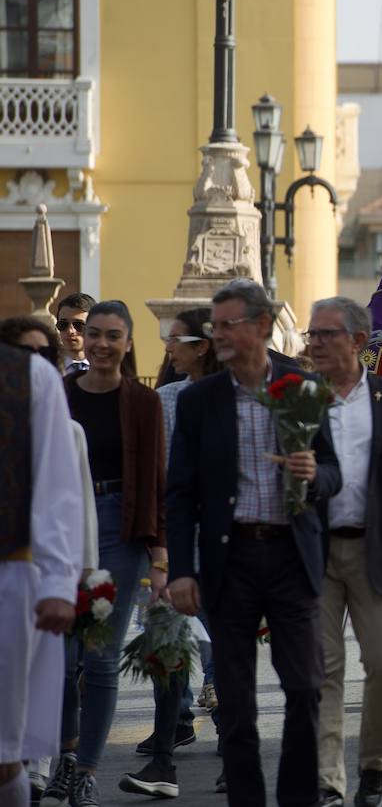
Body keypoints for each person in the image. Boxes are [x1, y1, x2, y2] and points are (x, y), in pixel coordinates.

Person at [166, 278, 342, 807]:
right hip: (230, 558)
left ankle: (296, 799)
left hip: (293, 556)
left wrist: (316, 473)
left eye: (227, 325)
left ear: (261, 327)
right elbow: (180, 493)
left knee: (305, 688)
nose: (217, 335)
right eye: (213, 326)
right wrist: (180, 570)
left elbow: (334, 472)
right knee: (237, 705)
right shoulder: (200, 401)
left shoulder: (303, 386)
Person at [305, 297, 382, 807]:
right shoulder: (297, 399)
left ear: (358, 342)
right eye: (311, 335)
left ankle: (374, 766)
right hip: (314, 554)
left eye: (326, 335)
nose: (315, 343)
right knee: (323, 669)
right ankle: (327, 781)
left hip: (375, 552)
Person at [41, 300, 167, 807]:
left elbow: (157, 481)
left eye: (112, 335)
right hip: (62, 525)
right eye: (93, 334)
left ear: (128, 343)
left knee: (99, 655)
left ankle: (87, 769)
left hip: (119, 527)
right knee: (61, 655)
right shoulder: (59, 394)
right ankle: (65, 757)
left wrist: (160, 557)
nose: (99, 343)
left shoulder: (142, 402)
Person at [125, 308, 223, 799]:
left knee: (225, 647)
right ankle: (164, 757)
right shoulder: (164, 399)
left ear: (201, 345)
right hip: (177, 542)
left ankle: (232, 749)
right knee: (169, 645)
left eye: (174, 338)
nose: (166, 347)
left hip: (224, 543)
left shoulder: (237, 398)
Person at [0, 341, 83, 807]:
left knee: (4, 750)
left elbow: (57, 488)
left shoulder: (30, 376)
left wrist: (58, 582)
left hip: (9, 573)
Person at [55, 292, 94, 375]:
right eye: (63, 324)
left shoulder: (106, 368)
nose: (70, 331)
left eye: (79, 325)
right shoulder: (48, 368)